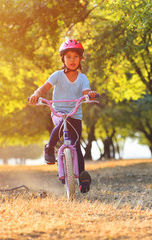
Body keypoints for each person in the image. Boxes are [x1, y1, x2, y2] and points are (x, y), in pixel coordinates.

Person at [29, 39, 97, 193]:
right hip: (59, 111)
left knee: (77, 144)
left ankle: (82, 178)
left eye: (75, 57)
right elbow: (44, 87)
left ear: (80, 59)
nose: (72, 60)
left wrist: (90, 95)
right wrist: (36, 94)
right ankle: (50, 148)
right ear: (63, 59)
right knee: (61, 124)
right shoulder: (58, 75)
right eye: (68, 57)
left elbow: (86, 93)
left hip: (75, 114)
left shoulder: (82, 78)